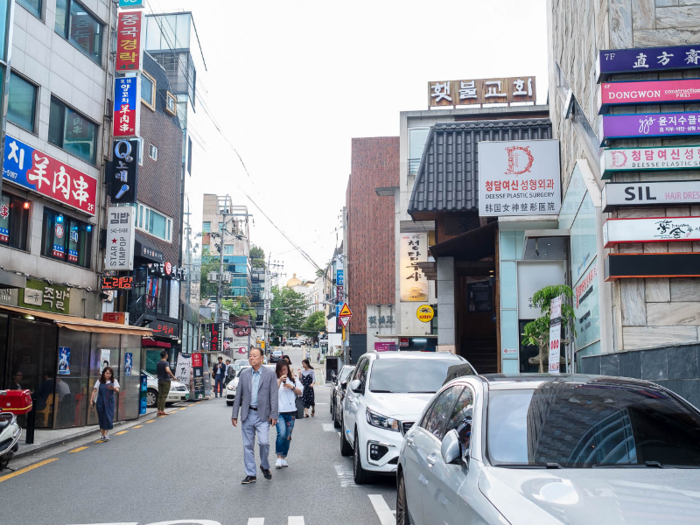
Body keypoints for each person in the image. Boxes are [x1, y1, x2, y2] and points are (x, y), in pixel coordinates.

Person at [232, 347, 278, 484]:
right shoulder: (245, 374)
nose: (252, 358)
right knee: (247, 445)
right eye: (250, 356)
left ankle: (264, 465)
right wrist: (235, 414)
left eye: (255, 356)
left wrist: (274, 414)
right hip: (247, 414)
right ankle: (251, 474)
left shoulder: (270, 374)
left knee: (264, 442)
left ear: (262, 358)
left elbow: (274, 396)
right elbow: (238, 395)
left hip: (263, 415)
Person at [274, 360, 302, 468]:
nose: (283, 372)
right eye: (281, 370)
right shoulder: (275, 380)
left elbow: (300, 392)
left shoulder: (293, 380)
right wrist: (279, 381)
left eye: (285, 370)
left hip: (291, 412)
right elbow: (271, 391)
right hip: (279, 412)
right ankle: (279, 458)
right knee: (281, 434)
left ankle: (283, 457)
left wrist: (292, 387)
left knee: (288, 436)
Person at [90, 366, 120, 441]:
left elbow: (117, 391)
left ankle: (105, 434)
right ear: (103, 373)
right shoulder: (99, 381)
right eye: (106, 373)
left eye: (109, 373)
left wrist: (113, 388)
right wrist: (91, 400)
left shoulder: (114, 381)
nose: (108, 375)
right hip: (100, 401)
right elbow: (94, 391)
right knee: (101, 417)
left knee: (108, 417)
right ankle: (102, 434)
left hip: (110, 402)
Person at [156, 351, 177, 416]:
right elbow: (167, 370)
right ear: (166, 355)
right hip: (166, 381)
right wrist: (173, 376)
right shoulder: (166, 363)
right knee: (164, 396)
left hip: (160, 380)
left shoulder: (158, 363)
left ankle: (159, 410)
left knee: (160, 395)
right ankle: (162, 410)